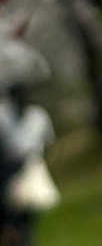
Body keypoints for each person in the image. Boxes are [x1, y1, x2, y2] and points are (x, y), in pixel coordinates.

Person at [0, 88, 58, 246]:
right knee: (10, 213)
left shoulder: (38, 116)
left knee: (28, 212)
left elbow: (48, 143)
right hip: (7, 169)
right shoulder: (2, 115)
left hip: (32, 167)